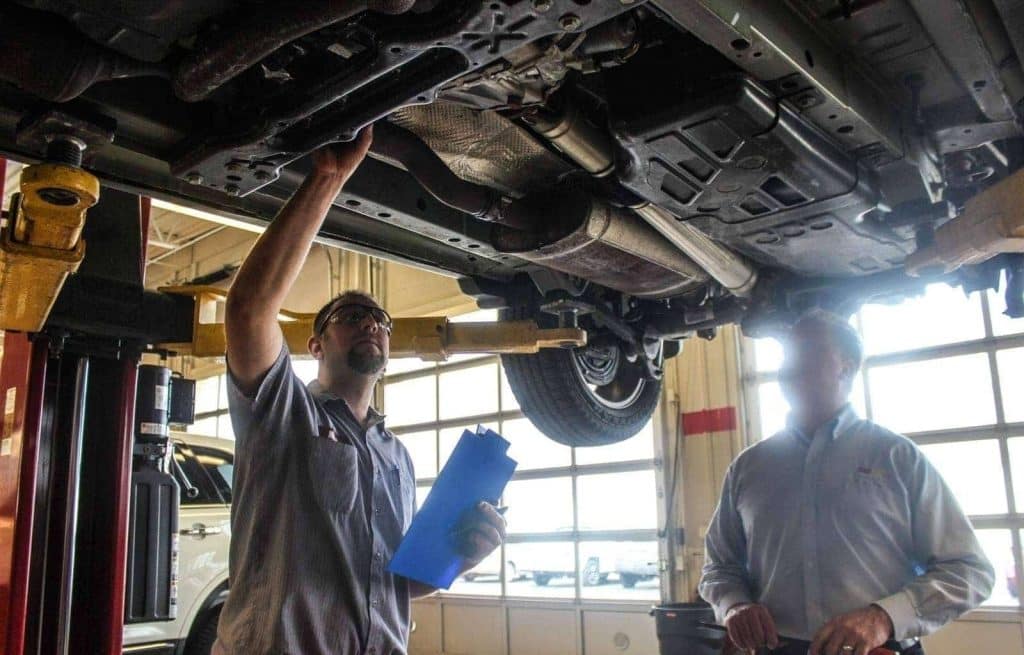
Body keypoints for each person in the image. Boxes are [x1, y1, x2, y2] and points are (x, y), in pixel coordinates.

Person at [214, 127, 506, 655]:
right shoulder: (282, 413)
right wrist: (327, 177)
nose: (370, 324)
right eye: (350, 317)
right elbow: (248, 310)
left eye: (380, 320)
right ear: (315, 345)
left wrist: (464, 556)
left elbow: (396, 586)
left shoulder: (397, 456)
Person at [699, 310, 995, 655]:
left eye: (806, 351)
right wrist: (734, 605)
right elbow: (719, 567)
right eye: (785, 355)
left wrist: (882, 619)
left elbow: (969, 571)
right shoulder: (749, 468)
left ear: (848, 366)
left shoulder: (897, 457)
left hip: (878, 648)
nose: (789, 365)